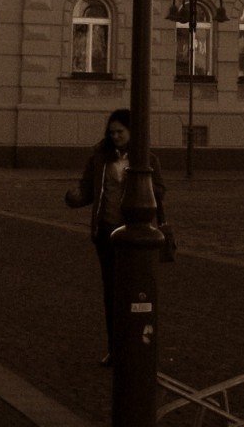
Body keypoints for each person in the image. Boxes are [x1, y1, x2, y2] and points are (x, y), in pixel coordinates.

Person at [65, 108, 166, 365]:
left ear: (132, 131)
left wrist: (136, 179)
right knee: (111, 293)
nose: (116, 136)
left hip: (136, 237)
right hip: (107, 234)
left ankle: (137, 347)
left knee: (137, 294)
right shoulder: (100, 158)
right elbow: (89, 188)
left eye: (120, 131)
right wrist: (74, 196)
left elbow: (160, 192)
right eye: (112, 133)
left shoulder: (147, 159)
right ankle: (115, 348)